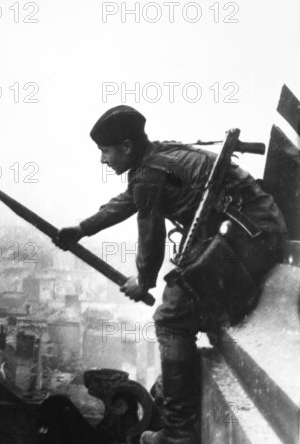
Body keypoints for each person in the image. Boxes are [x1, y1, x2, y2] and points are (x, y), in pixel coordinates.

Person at [53, 105, 287, 444]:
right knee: (183, 304)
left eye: (106, 151)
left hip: (249, 238)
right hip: (254, 232)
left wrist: (143, 281)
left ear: (128, 147)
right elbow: (130, 199)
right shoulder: (157, 158)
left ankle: (179, 433)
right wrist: (82, 229)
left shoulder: (149, 172)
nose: (103, 160)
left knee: (172, 317)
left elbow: (151, 237)